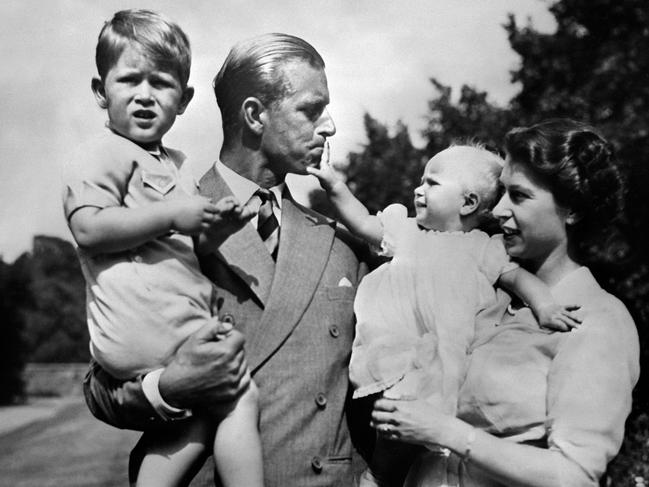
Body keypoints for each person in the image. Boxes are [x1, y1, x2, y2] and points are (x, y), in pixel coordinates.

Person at [81, 32, 370, 486]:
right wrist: (170, 386)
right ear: (255, 115)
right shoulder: (158, 222)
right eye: (312, 109)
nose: (330, 126)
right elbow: (100, 388)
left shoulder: (342, 247)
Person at [370, 119, 640, 487]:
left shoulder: (599, 321)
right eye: (500, 194)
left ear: (571, 210)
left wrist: (448, 432)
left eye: (519, 195)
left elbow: (575, 475)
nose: (497, 210)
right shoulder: (488, 296)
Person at [62, 10, 264, 487]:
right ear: (100, 91)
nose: (145, 95)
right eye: (129, 80)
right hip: (144, 328)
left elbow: (187, 245)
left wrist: (216, 229)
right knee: (239, 395)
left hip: (168, 325)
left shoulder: (174, 166)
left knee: (203, 412)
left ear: (184, 99)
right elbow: (88, 229)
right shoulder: (101, 153)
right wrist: (174, 214)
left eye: (162, 84)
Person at [308, 143, 580, 486]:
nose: (418, 189)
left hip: (444, 363)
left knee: (424, 437)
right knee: (395, 428)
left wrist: (546, 305)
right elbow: (363, 222)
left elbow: (519, 279)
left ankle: (389, 475)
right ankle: (378, 475)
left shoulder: (484, 248)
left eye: (432, 183)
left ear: (468, 202)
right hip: (396, 353)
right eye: (421, 181)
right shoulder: (407, 233)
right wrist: (333, 184)